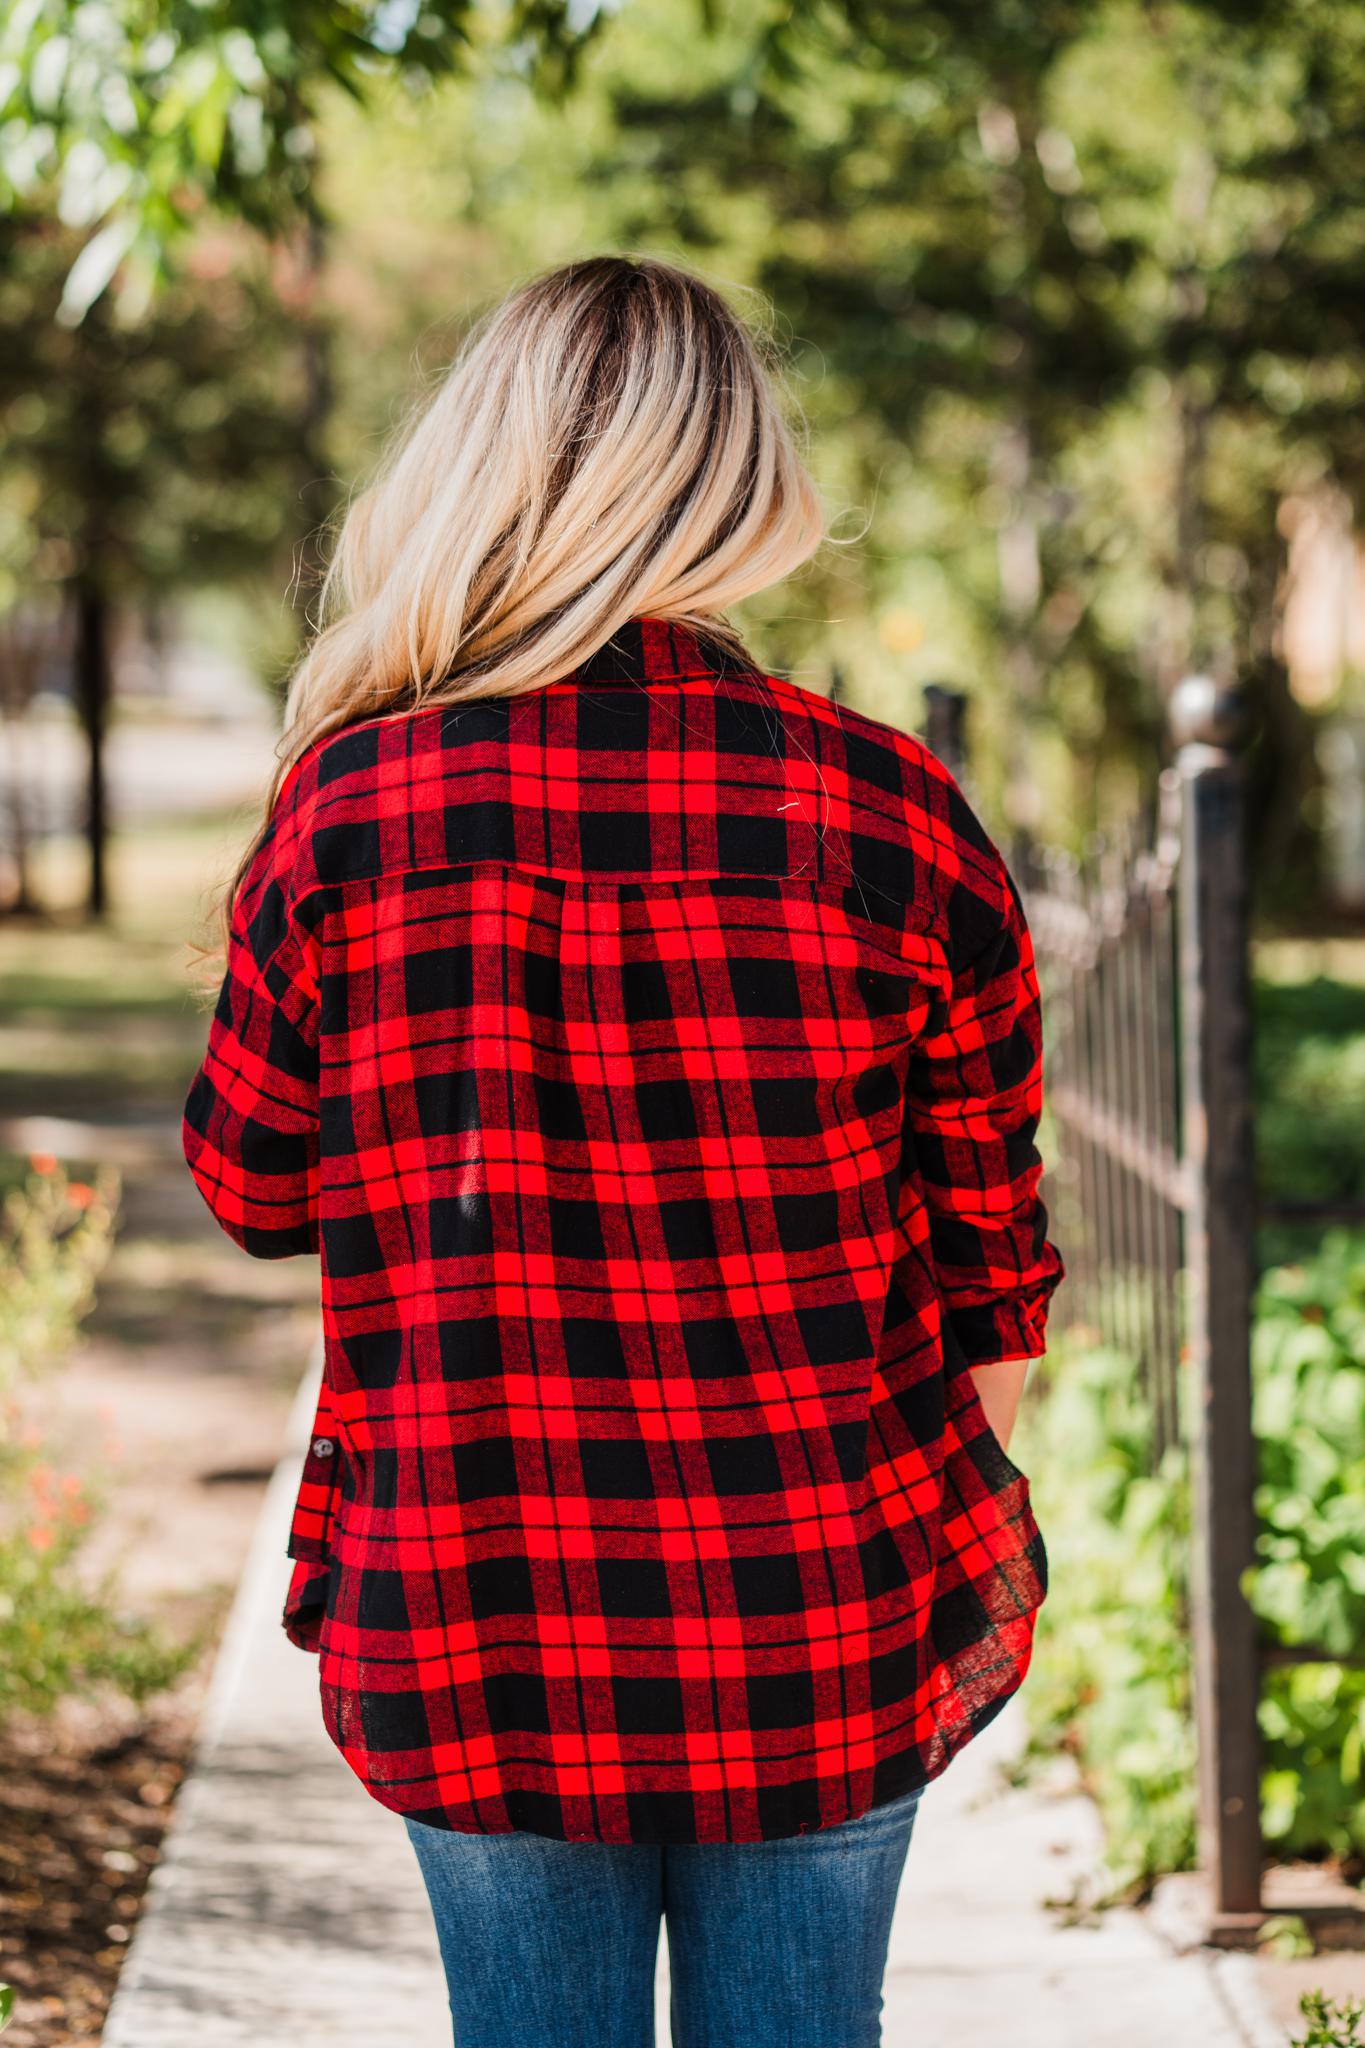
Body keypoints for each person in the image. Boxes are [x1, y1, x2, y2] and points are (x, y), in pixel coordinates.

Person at [182, 254, 1065, 2048]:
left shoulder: (347, 817)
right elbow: (995, 1271)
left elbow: (252, 1186)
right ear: (742, 486)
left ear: (478, 471)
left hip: (479, 1590)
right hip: (822, 1593)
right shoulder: (885, 811)